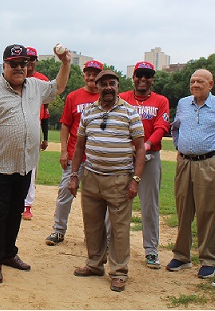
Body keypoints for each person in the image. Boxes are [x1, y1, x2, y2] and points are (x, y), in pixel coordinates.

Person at [0, 44, 71, 284]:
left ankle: (8, 253)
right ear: (4, 66)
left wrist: (65, 63)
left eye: (22, 64)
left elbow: (58, 86)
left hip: (25, 165)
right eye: (13, 64)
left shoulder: (35, 86)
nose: (18, 68)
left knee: (15, 213)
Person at [68, 69, 145, 292]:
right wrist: (74, 176)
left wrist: (135, 179)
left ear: (118, 86)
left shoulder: (130, 112)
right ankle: (94, 264)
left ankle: (119, 272)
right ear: (98, 88)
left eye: (112, 83)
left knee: (119, 229)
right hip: (91, 177)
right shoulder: (89, 112)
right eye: (103, 84)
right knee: (92, 225)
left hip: (119, 179)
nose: (108, 88)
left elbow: (140, 148)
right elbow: (80, 145)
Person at [118, 61, 170, 269]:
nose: (143, 79)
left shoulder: (161, 101)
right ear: (133, 77)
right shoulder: (123, 98)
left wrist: (146, 145)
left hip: (150, 157)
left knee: (150, 205)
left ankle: (151, 250)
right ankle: (110, 243)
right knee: (116, 201)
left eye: (147, 75)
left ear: (152, 79)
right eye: (139, 75)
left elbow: (162, 126)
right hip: (124, 156)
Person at [167, 69, 215, 279]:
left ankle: (209, 259)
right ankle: (181, 256)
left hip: (209, 163)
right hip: (184, 163)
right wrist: (180, 146)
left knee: (208, 211)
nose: (195, 84)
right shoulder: (182, 103)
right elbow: (175, 128)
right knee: (183, 209)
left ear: (211, 84)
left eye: (200, 81)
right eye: (192, 81)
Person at [46, 60, 104, 245]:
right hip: (74, 156)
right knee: (65, 193)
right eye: (88, 73)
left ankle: (94, 235)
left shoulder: (107, 97)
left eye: (95, 73)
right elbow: (65, 125)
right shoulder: (73, 96)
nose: (92, 77)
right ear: (83, 75)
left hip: (98, 158)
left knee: (96, 199)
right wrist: (63, 151)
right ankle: (58, 230)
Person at [22, 47, 51, 220]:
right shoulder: (16, 77)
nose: (30, 62)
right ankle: (16, 201)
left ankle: (28, 204)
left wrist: (46, 137)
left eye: (33, 59)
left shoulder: (42, 80)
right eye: (27, 59)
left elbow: (45, 113)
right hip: (16, 126)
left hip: (34, 126)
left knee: (31, 168)